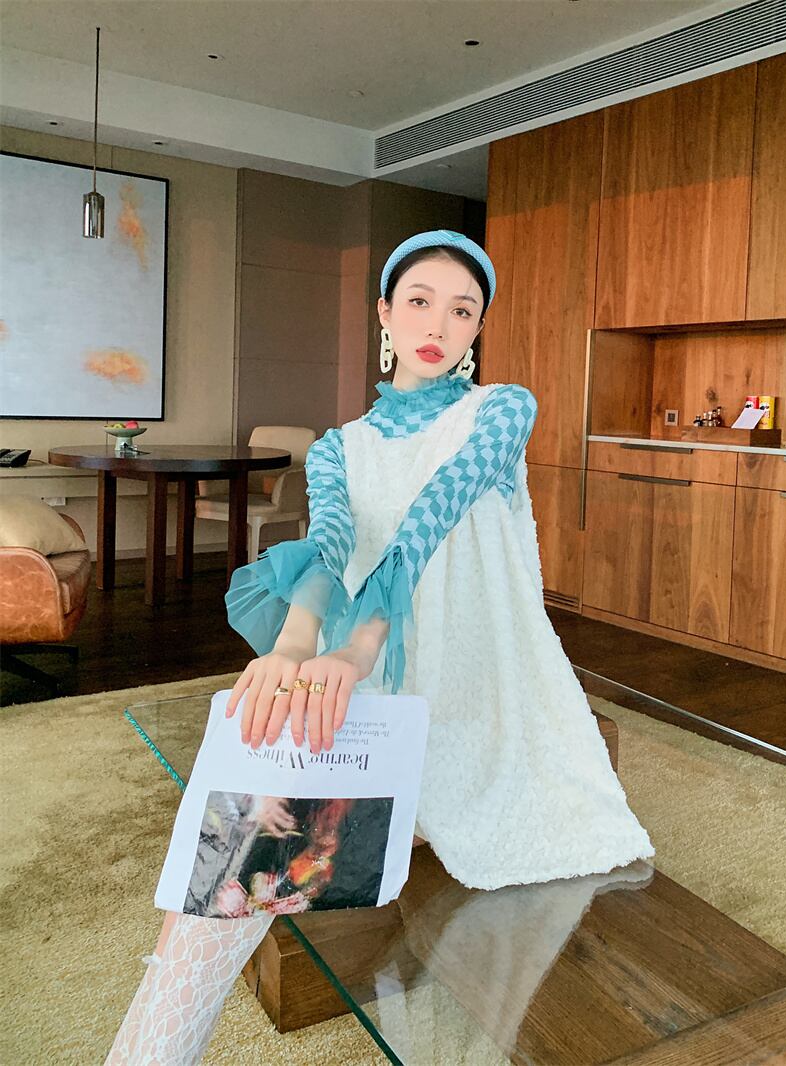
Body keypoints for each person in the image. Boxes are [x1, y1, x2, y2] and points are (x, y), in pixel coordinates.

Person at [106, 229, 654, 1064]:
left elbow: (423, 528)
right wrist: (293, 647)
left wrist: (356, 651)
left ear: (478, 330)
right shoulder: (338, 447)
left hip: (482, 698)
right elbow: (329, 549)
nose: (439, 323)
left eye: (462, 310)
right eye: (420, 302)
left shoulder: (501, 410)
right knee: (237, 843)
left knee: (279, 807)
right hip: (367, 688)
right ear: (386, 314)